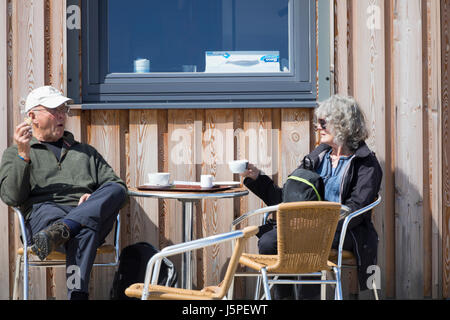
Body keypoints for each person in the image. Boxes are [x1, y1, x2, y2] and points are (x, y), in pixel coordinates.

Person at [242, 95, 382, 299]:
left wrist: (318, 225)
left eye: (323, 122)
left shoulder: (366, 164)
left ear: (343, 124)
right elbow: (290, 198)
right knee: (269, 241)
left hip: (345, 230)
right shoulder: (317, 157)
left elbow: (356, 208)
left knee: (304, 240)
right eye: (318, 122)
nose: (318, 127)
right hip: (304, 226)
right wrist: (257, 178)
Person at [0, 86, 128, 300]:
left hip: (81, 213)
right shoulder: (16, 152)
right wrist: (24, 157)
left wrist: (92, 200)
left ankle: (68, 227)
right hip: (45, 216)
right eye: (54, 110)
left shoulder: (86, 152)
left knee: (116, 190)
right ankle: (77, 296)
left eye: (64, 109)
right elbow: (12, 198)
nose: (62, 115)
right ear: (32, 116)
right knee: (86, 229)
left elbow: (117, 188)